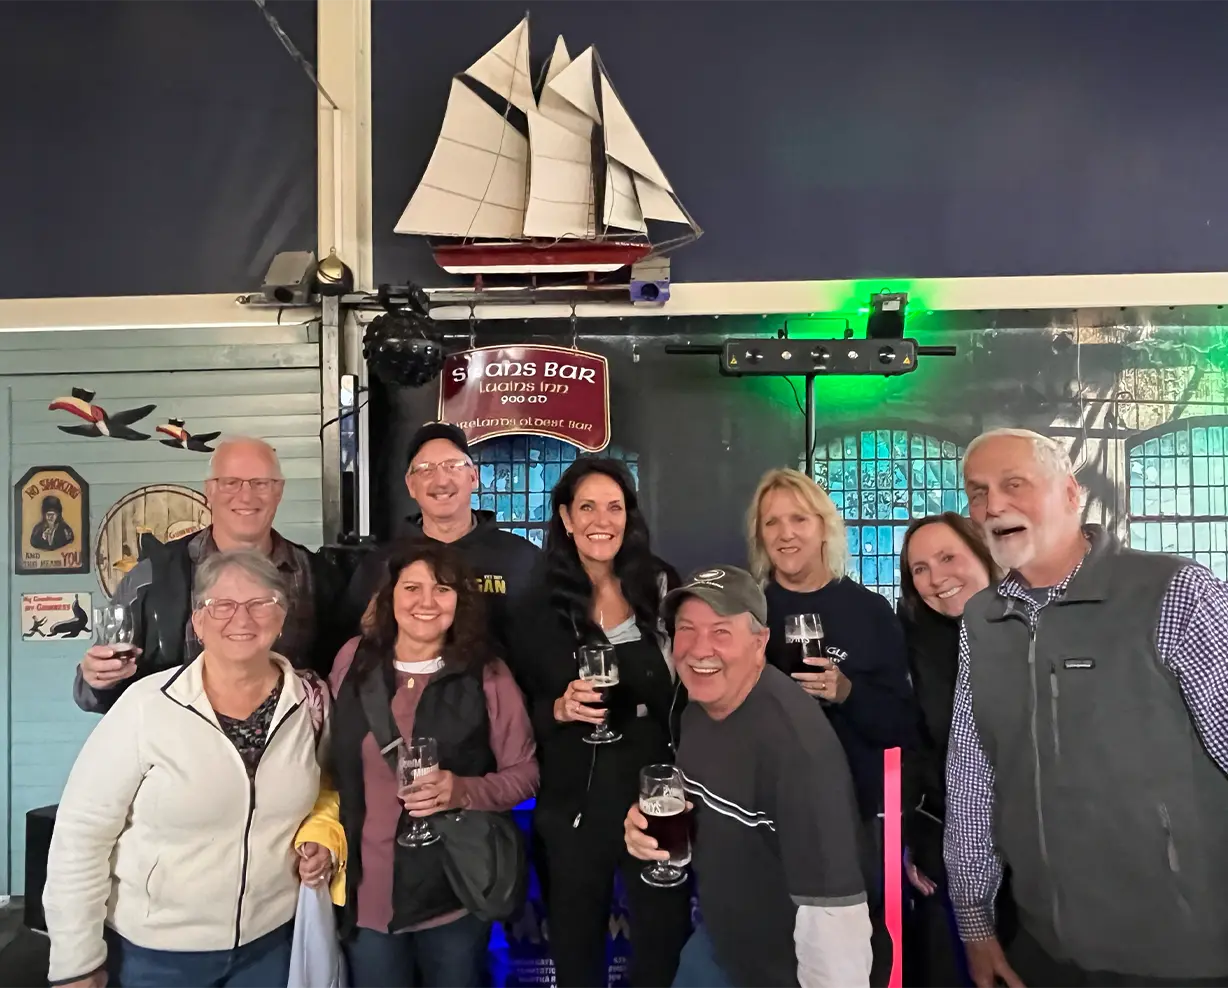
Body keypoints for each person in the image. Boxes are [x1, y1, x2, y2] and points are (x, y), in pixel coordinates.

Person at [948, 427, 1228, 988]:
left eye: (1014, 484)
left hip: (1183, 953)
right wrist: (975, 922)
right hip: (1047, 948)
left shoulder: (1175, 592)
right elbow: (971, 779)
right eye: (977, 491)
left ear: (1072, 495)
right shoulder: (982, 620)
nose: (993, 504)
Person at [42, 549, 330, 988]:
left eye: (260, 603)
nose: (242, 618)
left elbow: (329, 794)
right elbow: (81, 834)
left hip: (272, 946)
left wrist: (322, 840)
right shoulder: (146, 705)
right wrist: (76, 961)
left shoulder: (312, 703)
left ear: (283, 615)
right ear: (197, 621)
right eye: (222, 605)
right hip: (155, 956)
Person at [624, 564, 872, 988]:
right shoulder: (697, 707)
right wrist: (647, 828)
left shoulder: (799, 748)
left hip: (780, 971)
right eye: (687, 629)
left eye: (721, 632)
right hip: (719, 945)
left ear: (760, 644)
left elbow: (834, 916)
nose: (700, 650)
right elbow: (704, 809)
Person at [506, 457, 690, 988]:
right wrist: (557, 709)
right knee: (576, 955)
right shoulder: (535, 603)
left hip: (654, 797)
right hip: (573, 805)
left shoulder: (660, 587)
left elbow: (688, 691)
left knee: (661, 949)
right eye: (587, 507)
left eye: (614, 507)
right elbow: (510, 710)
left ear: (629, 517)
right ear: (566, 518)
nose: (600, 520)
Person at [329, 541, 539, 988]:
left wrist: (462, 789)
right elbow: (324, 765)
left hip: (451, 893)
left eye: (442, 589)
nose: (427, 602)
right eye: (412, 588)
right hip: (364, 894)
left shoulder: (488, 673)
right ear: (389, 596)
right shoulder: (352, 660)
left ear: (460, 600)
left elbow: (526, 774)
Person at [73, 436, 347, 713]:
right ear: (209, 490)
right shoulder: (151, 575)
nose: (246, 496)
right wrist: (98, 681)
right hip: (175, 750)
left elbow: (343, 684)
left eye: (261, 483)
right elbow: (96, 691)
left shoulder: (321, 578)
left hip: (287, 749)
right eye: (231, 482)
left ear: (279, 491)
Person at [747, 467, 916, 821]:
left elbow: (900, 724)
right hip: (762, 806)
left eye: (799, 519)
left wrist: (846, 692)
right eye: (771, 522)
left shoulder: (870, 612)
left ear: (824, 527)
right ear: (760, 536)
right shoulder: (746, 610)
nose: (786, 533)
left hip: (850, 809)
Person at [897, 513, 1000, 988]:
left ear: (983, 552)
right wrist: (917, 838)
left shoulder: (1038, 624)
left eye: (947, 558)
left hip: (1043, 853)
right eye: (919, 569)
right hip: (951, 845)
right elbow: (916, 748)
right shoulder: (913, 644)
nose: (936, 578)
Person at [343, 421, 540, 648]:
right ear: (410, 485)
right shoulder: (379, 565)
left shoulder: (523, 559)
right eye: (426, 469)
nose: (441, 481)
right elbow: (350, 647)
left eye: (452, 466)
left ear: (474, 477)